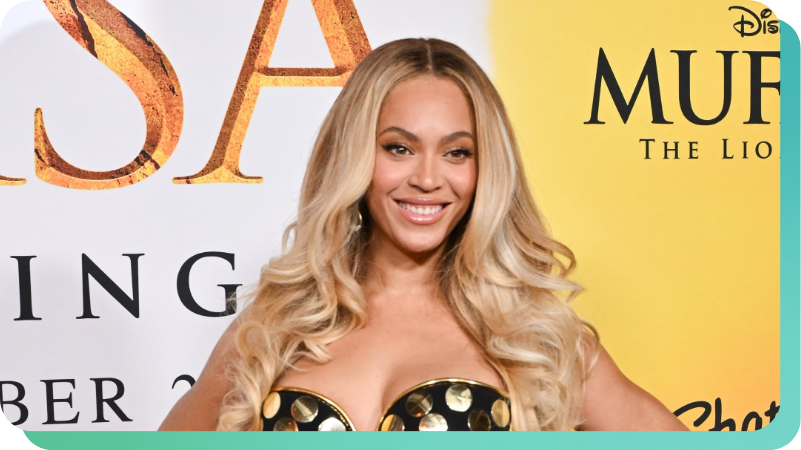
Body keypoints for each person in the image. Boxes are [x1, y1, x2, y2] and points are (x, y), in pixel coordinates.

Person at [159, 38, 687, 432]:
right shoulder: (275, 326)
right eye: (399, 148)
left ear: (486, 169)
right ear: (357, 157)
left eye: (457, 152)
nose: (429, 178)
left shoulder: (533, 336)